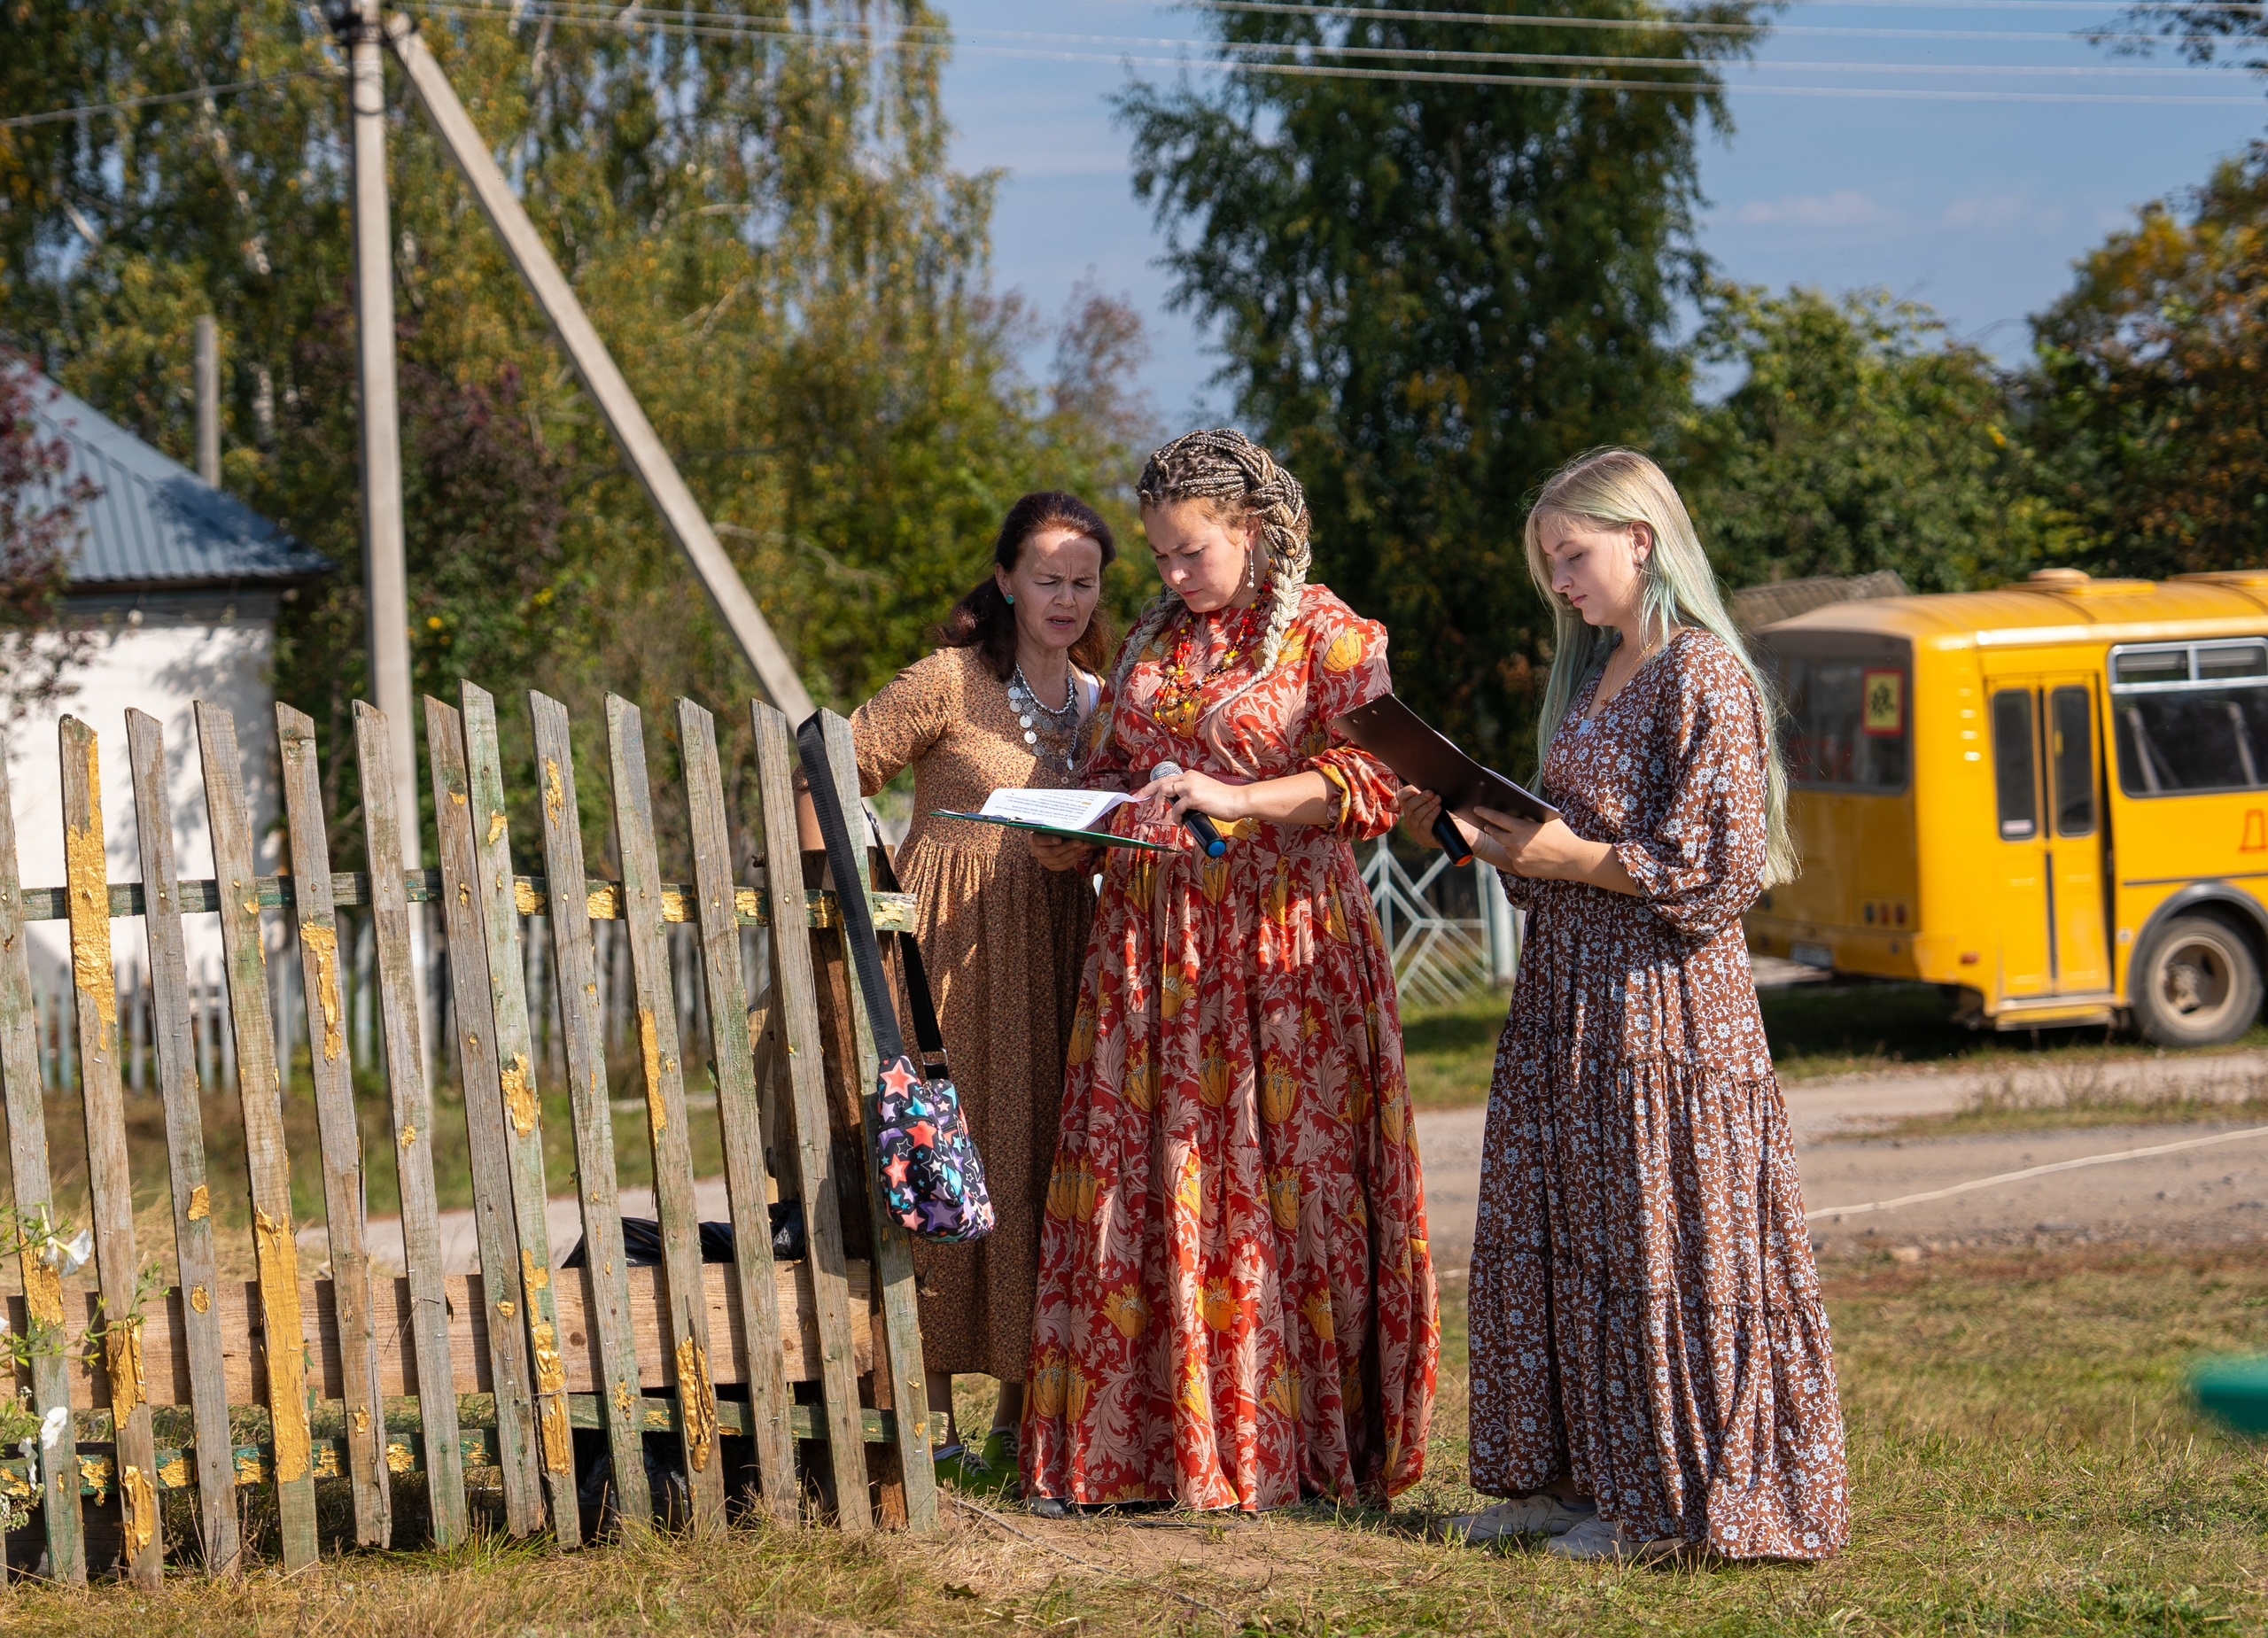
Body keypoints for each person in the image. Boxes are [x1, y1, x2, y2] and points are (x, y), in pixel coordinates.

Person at [1401, 447, 1849, 1563]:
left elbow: (1721, 868)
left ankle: (1668, 1502)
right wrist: (1478, 830)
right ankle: (1564, 1480)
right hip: (1567, 999)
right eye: (1547, 562)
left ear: (1640, 539)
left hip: (1661, 1010)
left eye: (1571, 554)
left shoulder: (1703, 675)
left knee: (1653, 1244)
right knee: (1560, 1236)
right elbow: (1568, 851)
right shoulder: (1593, 675)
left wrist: (1573, 853)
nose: (1558, 579)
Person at [1021, 428, 1436, 1515]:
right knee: (1155, 1184)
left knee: (1276, 1193)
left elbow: (1376, 782)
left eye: (1187, 551)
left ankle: (1283, 1455)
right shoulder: (1158, 634)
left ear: (1251, 533)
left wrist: (1239, 799)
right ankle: (1149, 1455)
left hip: (1282, 952)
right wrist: (1085, 820)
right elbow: (1117, 764)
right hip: (1154, 953)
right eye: (1156, 553)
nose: (1166, 575)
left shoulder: (1324, 631)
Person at [849, 491, 1116, 1494]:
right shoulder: (947, 681)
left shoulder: (1097, 699)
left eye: (1082, 581)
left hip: (1057, 942)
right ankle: (923, 1415)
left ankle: (1017, 1416)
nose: (1063, 596)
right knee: (933, 1154)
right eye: (1045, 577)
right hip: (942, 944)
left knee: (1036, 1156)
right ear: (1004, 579)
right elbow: (826, 767)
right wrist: (836, 905)